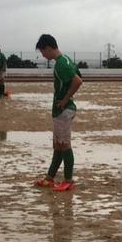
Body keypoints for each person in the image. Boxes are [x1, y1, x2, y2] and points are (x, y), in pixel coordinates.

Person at [33, 34, 82, 192]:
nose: (43, 55)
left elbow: (78, 81)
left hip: (64, 110)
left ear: (48, 47)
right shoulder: (66, 60)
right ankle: (50, 178)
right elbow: (78, 75)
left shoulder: (61, 64)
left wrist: (65, 99)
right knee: (58, 145)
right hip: (61, 109)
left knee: (64, 145)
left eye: (42, 51)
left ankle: (68, 180)